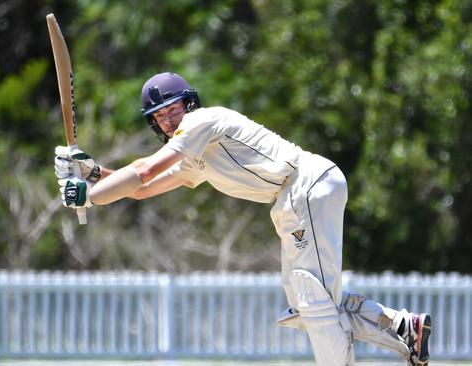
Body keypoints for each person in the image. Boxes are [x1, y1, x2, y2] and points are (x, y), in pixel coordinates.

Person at [53, 72, 431, 366]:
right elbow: (139, 188)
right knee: (309, 300)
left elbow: (145, 170)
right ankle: (401, 328)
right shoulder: (193, 158)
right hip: (295, 196)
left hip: (305, 183)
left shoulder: (204, 122)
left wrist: (89, 195)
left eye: (173, 109)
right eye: (160, 116)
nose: (169, 120)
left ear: (189, 103)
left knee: (313, 300)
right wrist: (92, 174)